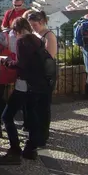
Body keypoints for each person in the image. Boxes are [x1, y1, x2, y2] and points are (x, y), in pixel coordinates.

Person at [0, 18, 49, 165]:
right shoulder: (37, 40)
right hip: (38, 85)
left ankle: (15, 150)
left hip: (24, 85)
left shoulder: (21, 42)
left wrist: (6, 62)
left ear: (16, 30)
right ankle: (31, 149)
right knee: (32, 116)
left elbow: (21, 64)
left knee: (7, 116)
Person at [27, 11, 57, 146]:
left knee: (44, 107)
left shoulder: (49, 36)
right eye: (31, 25)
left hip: (45, 76)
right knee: (35, 107)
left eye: (34, 25)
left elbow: (50, 57)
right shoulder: (35, 34)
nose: (32, 28)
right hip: (35, 75)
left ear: (41, 22)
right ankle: (36, 133)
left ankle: (43, 135)